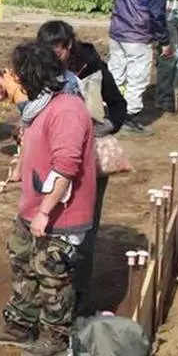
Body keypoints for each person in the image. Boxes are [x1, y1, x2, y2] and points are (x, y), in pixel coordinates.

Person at [0, 42, 97, 356]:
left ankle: (55, 336)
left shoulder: (67, 111)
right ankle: (20, 324)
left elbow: (65, 167)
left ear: (25, 76)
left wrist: (45, 212)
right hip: (33, 207)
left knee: (52, 275)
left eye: (10, 72)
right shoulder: (36, 109)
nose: (5, 77)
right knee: (22, 262)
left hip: (61, 214)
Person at [37, 20, 128, 317]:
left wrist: (103, 129)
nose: (53, 56)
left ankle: (79, 295)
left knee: (84, 228)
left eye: (57, 50)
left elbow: (118, 105)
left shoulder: (93, 67)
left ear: (69, 46)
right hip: (51, 157)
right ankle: (48, 290)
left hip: (88, 163)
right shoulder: (40, 69)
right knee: (48, 221)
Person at [107, 0, 177, 136]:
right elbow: (157, 13)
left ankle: (110, 113)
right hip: (138, 35)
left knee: (115, 73)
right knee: (137, 78)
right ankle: (128, 118)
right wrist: (164, 41)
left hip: (117, 30)